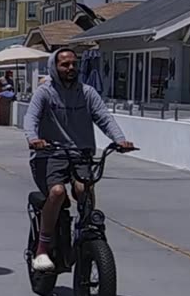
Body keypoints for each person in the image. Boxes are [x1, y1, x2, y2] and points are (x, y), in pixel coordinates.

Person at [24, 48, 135, 272]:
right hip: (50, 154)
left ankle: (86, 232)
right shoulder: (44, 93)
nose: (71, 68)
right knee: (57, 193)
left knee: (84, 189)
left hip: (80, 154)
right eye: (65, 65)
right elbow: (31, 117)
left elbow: (104, 117)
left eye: (74, 64)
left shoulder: (87, 92)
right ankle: (42, 248)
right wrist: (34, 138)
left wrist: (120, 140)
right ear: (54, 67)